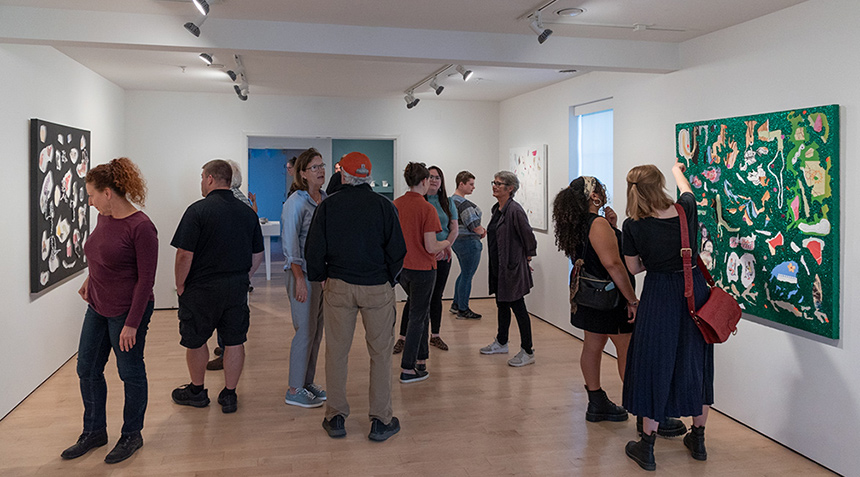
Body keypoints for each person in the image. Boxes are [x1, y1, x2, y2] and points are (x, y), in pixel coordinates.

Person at [61, 158, 157, 464]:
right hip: (98, 305)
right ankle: (94, 431)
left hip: (127, 312)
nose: (89, 202)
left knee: (129, 372)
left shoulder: (142, 227)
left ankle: (132, 434)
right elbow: (103, 253)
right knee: (86, 369)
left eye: (91, 195)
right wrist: (91, 279)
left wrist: (132, 323)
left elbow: (146, 280)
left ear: (107, 193)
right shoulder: (105, 217)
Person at [305, 152, 407, 442]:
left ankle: (336, 417)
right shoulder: (384, 207)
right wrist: (389, 279)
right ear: (367, 176)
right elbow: (397, 250)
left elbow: (314, 248)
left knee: (337, 352)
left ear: (344, 175)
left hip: (338, 285)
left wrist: (321, 276)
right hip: (377, 287)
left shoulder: (328, 206)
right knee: (381, 353)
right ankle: (381, 420)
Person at [621, 162, 714, 471]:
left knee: (654, 363)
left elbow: (633, 268)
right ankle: (698, 440)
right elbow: (688, 190)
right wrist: (677, 169)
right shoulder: (684, 209)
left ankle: (647, 447)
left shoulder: (632, 225)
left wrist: (656, 261)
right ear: (660, 183)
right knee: (696, 361)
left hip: (659, 293)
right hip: (693, 291)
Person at [170, 159, 264, 414]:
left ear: (211, 178)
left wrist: (180, 284)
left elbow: (184, 255)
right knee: (234, 341)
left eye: (203, 177)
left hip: (200, 288)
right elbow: (258, 255)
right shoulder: (247, 213)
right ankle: (230, 395)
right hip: (235, 288)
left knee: (197, 339)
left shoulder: (197, 211)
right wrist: (244, 277)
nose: (201, 182)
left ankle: (197, 392)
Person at [552, 176, 638, 423]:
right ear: (594, 196)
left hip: (589, 295)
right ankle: (643, 409)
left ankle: (596, 401)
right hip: (610, 298)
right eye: (600, 189)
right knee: (626, 349)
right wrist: (632, 300)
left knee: (592, 345)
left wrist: (613, 226)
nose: (604, 193)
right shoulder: (596, 223)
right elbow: (613, 264)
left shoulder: (578, 222)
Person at [392, 163, 450, 382]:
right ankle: (408, 369)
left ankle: (421, 360)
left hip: (402, 269)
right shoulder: (427, 209)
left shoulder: (396, 204)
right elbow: (430, 246)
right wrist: (445, 242)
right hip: (423, 269)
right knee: (418, 316)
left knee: (421, 311)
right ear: (424, 181)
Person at [281, 148, 328, 408]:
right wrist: (299, 278)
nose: (320, 171)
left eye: (322, 166)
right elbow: (290, 246)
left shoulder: (324, 199)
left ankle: (307, 382)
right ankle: (294, 388)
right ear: (302, 173)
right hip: (303, 276)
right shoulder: (296, 202)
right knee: (304, 331)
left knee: (316, 331)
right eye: (314, 167)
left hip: (319, 276)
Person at [479, 171, 538, 367]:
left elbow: (528, 237)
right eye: (494, 182)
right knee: (502, 304)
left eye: (499, 183)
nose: (494, 186)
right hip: (499, 265)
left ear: (510, 188)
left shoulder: (515, 210)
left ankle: (528, 350)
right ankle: (502, 341)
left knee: (518, 307)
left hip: (511, 266)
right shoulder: (497, 209)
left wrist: (526, 258)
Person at [206, 159, 259, 371]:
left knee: (227, 314)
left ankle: (226, 350)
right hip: (239, 268)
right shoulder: (242, 200)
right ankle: (226, 347)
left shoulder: (232, 202)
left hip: (228, 268)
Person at [450, 171, 486, 319]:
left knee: (464, 273)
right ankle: (463, 310)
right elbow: (473, 225)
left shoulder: (450, 201)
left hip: (457, 241)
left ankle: (456, 304)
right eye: (471, 184)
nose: (473, 187)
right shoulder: (463, 203)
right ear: (461, 184)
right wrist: (482, 230)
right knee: (467, 275)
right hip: (469, 242)